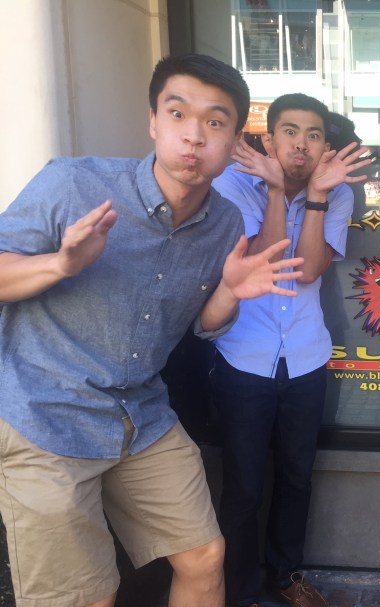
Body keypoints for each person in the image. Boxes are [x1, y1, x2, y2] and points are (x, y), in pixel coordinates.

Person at [0, 53, 304, 607]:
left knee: (205, 558)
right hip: (45, 412)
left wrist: (229, 292)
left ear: (235, 140)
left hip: (139, 415)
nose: (194, 135)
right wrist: (59, 265)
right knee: (87, 597)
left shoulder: (225, 224)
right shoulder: (73, 184)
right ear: (153, 122)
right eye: (178, 113)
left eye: (215, 121)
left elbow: (204, 325)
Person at [210, 94, 371, 607]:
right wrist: (277, 191)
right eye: (290, 131)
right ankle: (240, 589)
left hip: (305, 355)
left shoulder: (335, 193)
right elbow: (268, 264)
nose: (301, 144)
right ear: (269, 139)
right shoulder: (233, 183)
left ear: (325, 147)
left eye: (314, 135)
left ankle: (286, 574)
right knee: (244, 483)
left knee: (297, 476)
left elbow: (307, 271)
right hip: (243, 356)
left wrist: (317, 196)